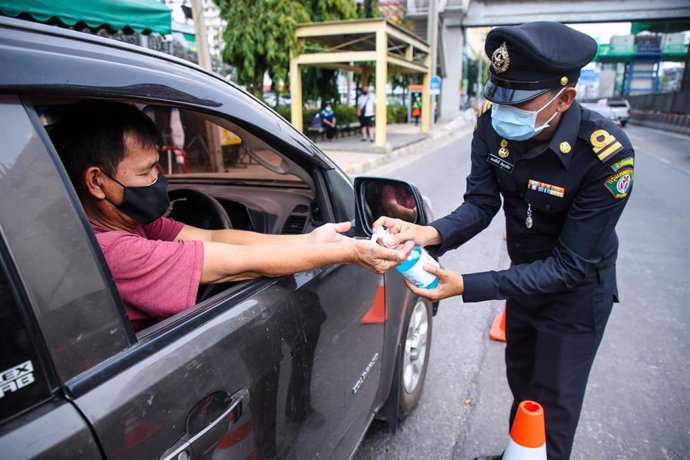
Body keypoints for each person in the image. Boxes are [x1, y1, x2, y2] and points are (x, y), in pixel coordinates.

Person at [374, 22, 634, 460]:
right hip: (524, 284)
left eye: (519, 102)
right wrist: (428, 232)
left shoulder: (606, 156)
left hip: (575, 294)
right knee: (523, 383)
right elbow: (480, 203)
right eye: (498, 97)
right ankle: (519, 452)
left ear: (564, 98)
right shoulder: (493, 124)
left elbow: (570, 266)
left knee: (552, 402)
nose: (502, 110)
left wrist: (465, 286)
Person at [50, 101, 412, 331]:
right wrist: (350, 251)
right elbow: (236, 262)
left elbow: (213, 238)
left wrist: (308, 240)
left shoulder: (134, 223)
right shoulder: (111, 252)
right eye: (147, 172)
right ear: (97, 181)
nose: (160, 180)